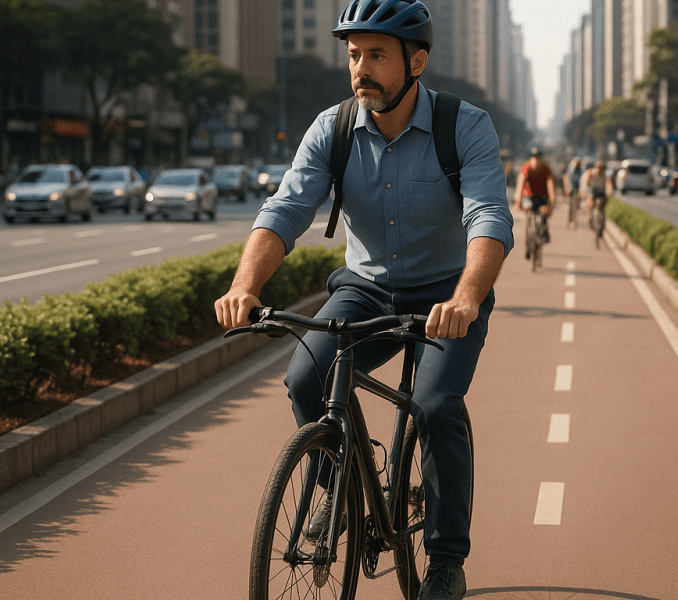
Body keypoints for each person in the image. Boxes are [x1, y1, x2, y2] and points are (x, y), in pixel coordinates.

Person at [214, 1, 514, 598]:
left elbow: (489, 218)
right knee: (305, 378)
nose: (360, 67)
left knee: (432, 406)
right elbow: (285, 210)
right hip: (366, 288)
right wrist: (245, 286)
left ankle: (446, 561)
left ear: (416, 61)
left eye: (376, 54)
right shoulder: (332, 128)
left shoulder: (466, 125)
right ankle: (340, 490)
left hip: (445, 293)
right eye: (353, 55)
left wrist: (467, 298)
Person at [515, 147, 556, 256]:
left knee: (544, 213)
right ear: (530, 159)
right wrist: (518, 200)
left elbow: (551, 186)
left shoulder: (546, 169)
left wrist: (552, 202)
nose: (536, 160)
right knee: (529, 215)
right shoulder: (526, 168)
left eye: (538, 157)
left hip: (543, 197)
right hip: (529, 197)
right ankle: (528, 242)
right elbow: (520, 186)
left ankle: (544, 230)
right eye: (534, 157)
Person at [582, 159, 612, 229]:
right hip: (592, 191)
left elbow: (609, 183)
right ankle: (591, 216)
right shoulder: (591, 173)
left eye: (601, 168)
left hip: (601, 191)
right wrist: (585, 188)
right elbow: (586, 181)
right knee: (591, 201)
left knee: (603, 203)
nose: (600, 170)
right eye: (598, 168)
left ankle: (602, 219)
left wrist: (610, 191)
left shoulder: (605, 175)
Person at [562, 156, 583, 227]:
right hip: (571, 189)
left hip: (577, 189)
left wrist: (580, 190)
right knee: (570, 205)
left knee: (576, 205)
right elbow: (568, 180)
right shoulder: (571, 170)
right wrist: (568, 190)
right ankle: (569, 220)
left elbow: (582, 181)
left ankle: (575, 219)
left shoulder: (580, 170)